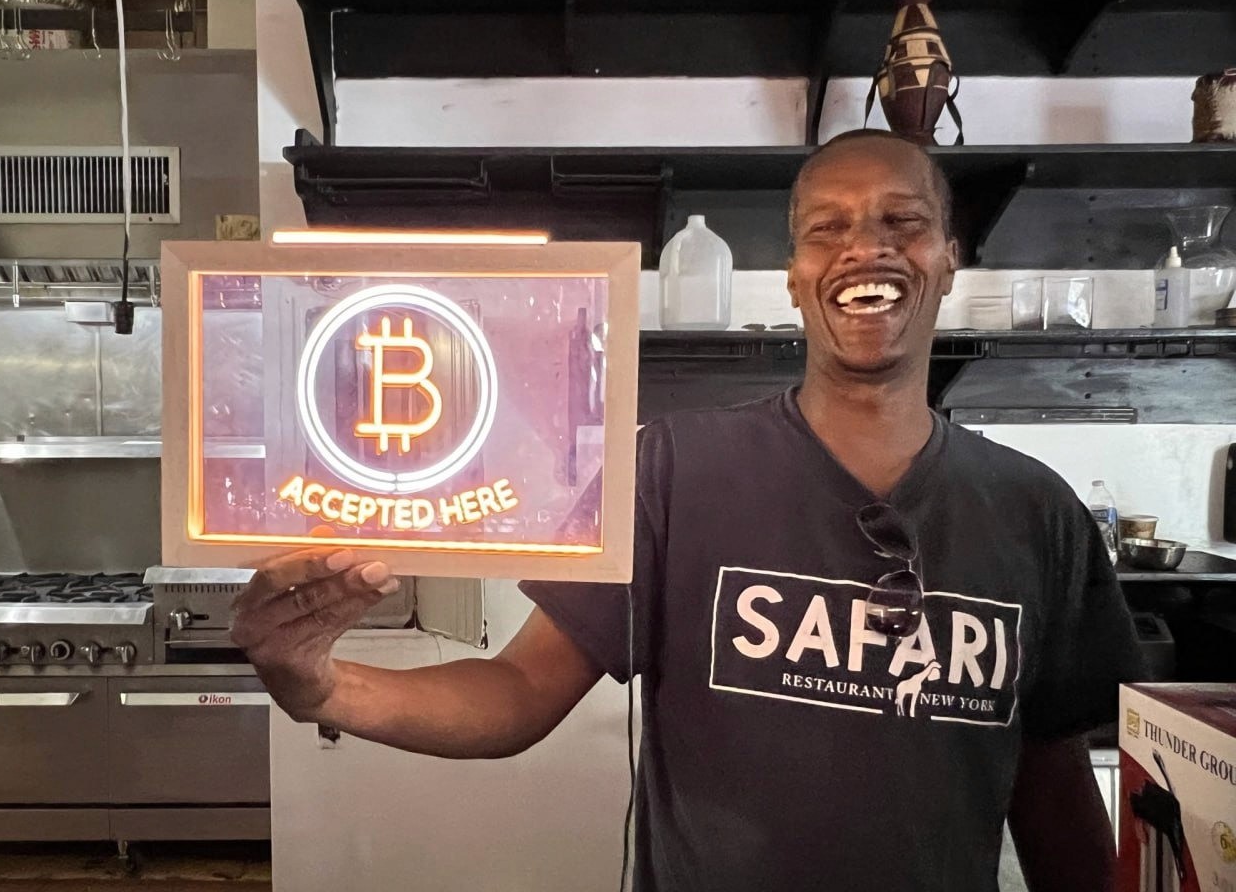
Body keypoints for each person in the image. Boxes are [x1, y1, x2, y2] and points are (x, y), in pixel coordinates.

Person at [230, 129, 1143, 892]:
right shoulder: (671, 469)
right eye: (826, 229)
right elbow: (517, 694)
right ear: (794, 276)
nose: (864, 248)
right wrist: (323, 685)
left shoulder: (1037, 513)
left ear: (948, 260)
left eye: (902, 222)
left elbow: (1053, 783)